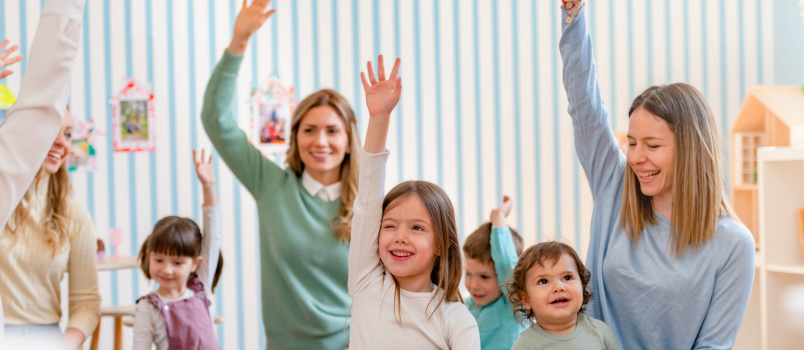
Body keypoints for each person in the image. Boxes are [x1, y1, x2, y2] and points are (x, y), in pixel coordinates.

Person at [558, 1, 755, 348]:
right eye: (632, 142)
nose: (636, 157)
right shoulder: (615, 187)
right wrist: (574, 19)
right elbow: (584, 107)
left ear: (690, 150)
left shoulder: (732, 244)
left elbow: (713, 345)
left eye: (652, 145)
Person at [200, 1, 361, 347]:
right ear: (295, 136)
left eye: (333, 131)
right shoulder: (271, 184)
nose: (321, 141)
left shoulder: (372, 202)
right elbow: (216, 119)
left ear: (349, 141)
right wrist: (238, 42)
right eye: (309, 130)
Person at [348, 55, 480, 349]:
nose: (400, 237)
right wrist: (379, 119)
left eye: (417, 228)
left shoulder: (455, 317)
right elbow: (368, 198)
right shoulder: (366, 281)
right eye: (390, 226)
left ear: (442, 244)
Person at [0, 108, 100, 349]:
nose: (61, 143)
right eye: (50, 130)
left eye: (66, 133)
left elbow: (86, 303)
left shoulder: (74, 215)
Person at [132, 149, 224, 350]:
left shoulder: (201, 288)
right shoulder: (147, 308)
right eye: (159, 260)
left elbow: (213, 235)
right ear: (149, 257)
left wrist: (208, 187)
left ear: (195, 264)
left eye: (178, 262)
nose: (167, 269)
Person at [506, 241, 618, 349]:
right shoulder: (526, 345)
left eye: (567, 278)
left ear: (582, 286)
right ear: (525, 299)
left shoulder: (600, 331)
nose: (559, 287)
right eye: (543, 281)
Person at [463, 195, 527, 350]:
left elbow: (505, 264)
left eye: (484, 277)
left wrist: (498, 218)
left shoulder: (515, 305)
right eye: (469, 274)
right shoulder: (466, 307)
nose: (473, 285)